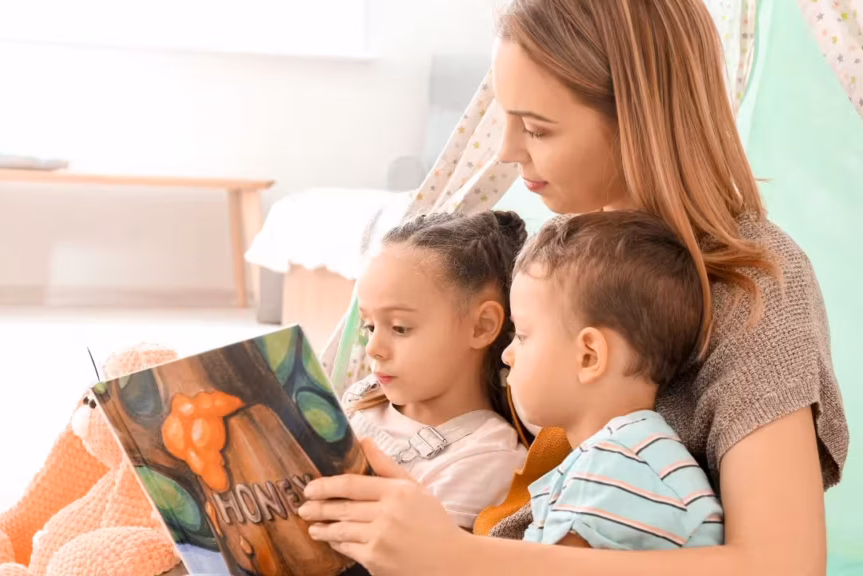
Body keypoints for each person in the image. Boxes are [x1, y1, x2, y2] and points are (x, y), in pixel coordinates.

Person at [296, 1, 849, 575]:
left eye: (536, 128)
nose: (506, 151)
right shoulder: (566, 245)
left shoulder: (752, 283)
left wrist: (457, 556)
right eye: (506, 119)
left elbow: (781, 563)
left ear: (638, 119)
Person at [507, 210, 722, 549]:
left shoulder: (614, 469)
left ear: (589, 356)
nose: (507, 355)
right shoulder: (627, 457)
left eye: (522, 335)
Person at [342, 210, 530, 531]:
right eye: (370, 326)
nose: (373, 348)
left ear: (481, 326)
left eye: (400, 328)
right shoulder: (364, 395)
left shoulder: (487, 458)